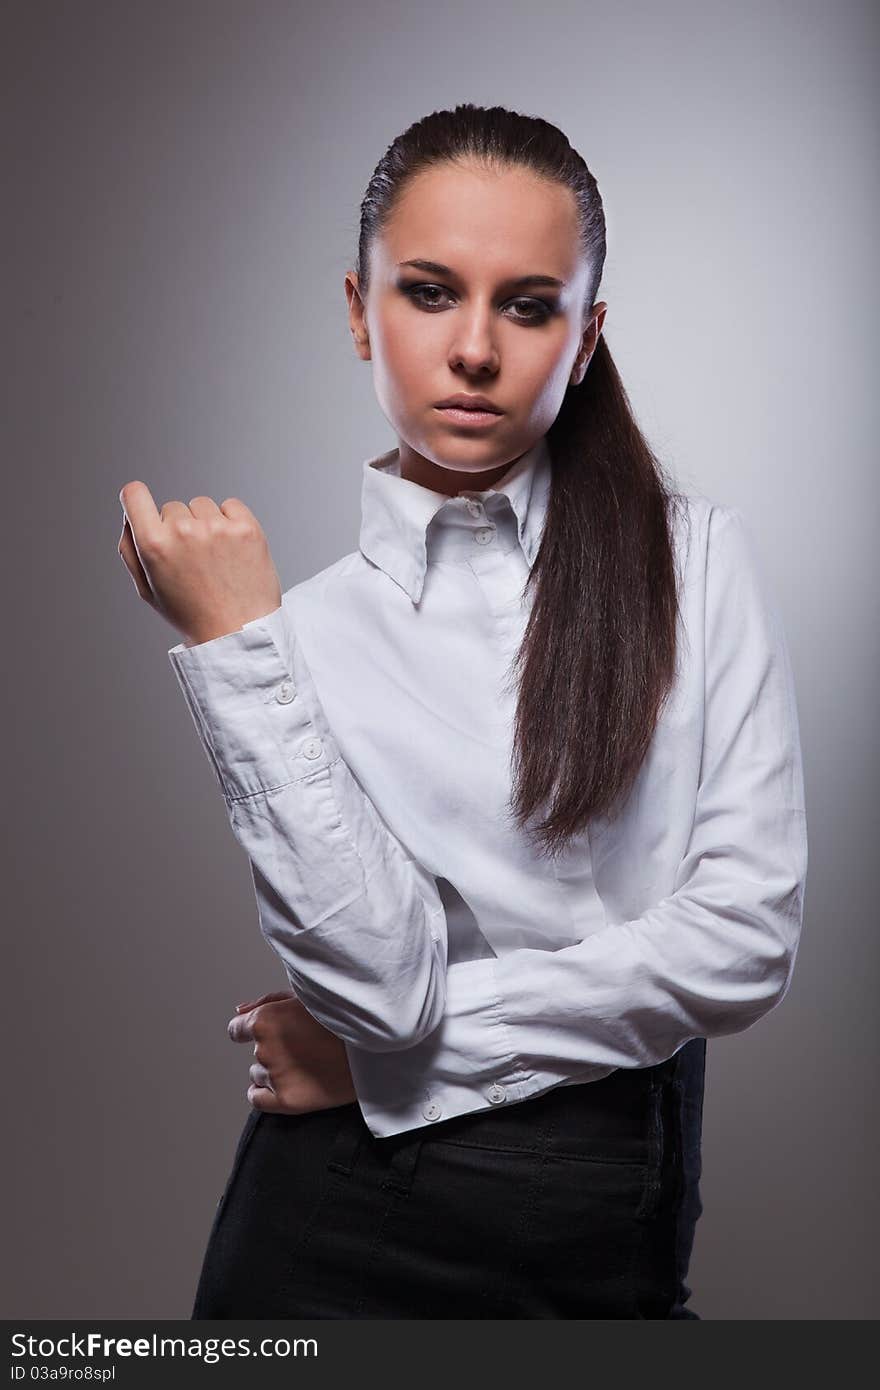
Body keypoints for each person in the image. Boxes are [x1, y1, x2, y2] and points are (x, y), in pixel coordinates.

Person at [117, 102, 808, 1319]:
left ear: (586, 336)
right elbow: (384, 988)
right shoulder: (306, 636)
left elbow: (741, 940)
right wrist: (237, 646)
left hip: (614, 1206)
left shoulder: (694, 562)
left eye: (527, 304)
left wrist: (386, 1066)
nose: (474, 348)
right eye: (429, 292)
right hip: (347, 1224)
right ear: (356, 311)